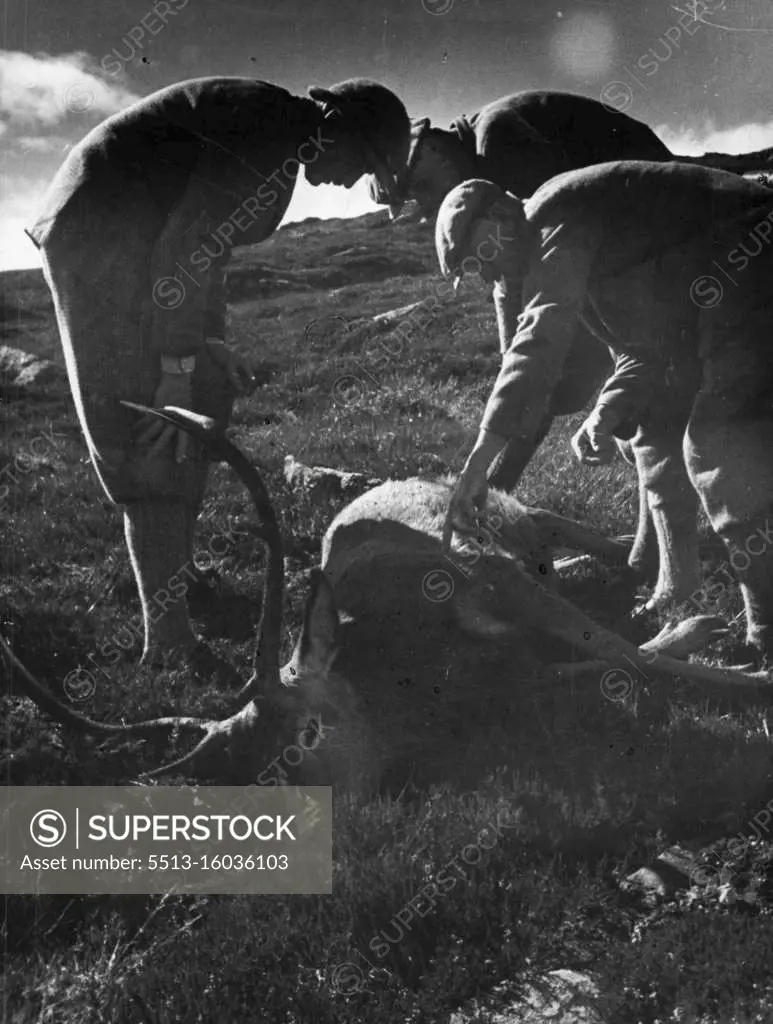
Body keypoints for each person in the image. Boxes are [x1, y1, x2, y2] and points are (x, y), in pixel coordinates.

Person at [26, 75, 410, 675]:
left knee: (204, 399)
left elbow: (207, 251)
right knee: (146, 425)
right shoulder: (263, 131)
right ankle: (169, 641)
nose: (355, 178)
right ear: (337, 124)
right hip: (97, 236)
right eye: (363, 160)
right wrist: (174, 373)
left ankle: (177, 571)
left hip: (138, 240)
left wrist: (206, 343)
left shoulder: (280, 139)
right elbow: (183, 251)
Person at [439, 165, 773, 663]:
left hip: (753, 259)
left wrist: (479, 461)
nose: (485, 274)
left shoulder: (557, 219)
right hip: (717, 290)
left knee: (715, 444)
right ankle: (681, 587)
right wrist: (604, 412)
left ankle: (765, 635)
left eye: (477, 258)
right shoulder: (557, 246)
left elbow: (539, 338)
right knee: (652, 428)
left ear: (498, 216)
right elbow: (642, 348)